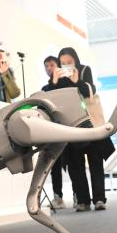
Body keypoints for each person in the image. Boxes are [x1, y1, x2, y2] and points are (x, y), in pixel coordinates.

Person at [53, 47, 114, 211]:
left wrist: (76, 81)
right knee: (75, 165)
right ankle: (83, 201)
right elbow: (53, 98)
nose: (66, 65)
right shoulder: (58, 77)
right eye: (63, 63)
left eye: (69, 62)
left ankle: (99, 199)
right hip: (71, 125)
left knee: (95, 162)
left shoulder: (84, 70)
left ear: (75, 60)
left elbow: (89, 92)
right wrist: (55, 81)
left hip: (89, 123)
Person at [41, 55, 70, 210]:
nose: (49, 69)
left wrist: (56, 81)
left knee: (73, 164)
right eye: (46, 66)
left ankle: (79, 195)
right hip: (53, 131)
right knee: (55, 167)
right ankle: (58, 197)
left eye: (51, 65)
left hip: (69, 128)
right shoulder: (45, 89)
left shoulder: (67, 84)